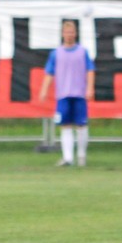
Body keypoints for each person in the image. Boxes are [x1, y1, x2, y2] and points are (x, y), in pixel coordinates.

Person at [38, 20, 95, 167]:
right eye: (67, 32)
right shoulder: (56, 53)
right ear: (63, 34)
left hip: (79, 94)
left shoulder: (83, 52)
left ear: (75, 34)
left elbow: (90, 70)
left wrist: (89, 88)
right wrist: (44, 90)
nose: (69, 35)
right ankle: (68, 157)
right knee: (65, 125)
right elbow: (49, 73)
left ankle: (81, 155)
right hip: (63, 94)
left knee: (81, 125)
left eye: (72, 32)